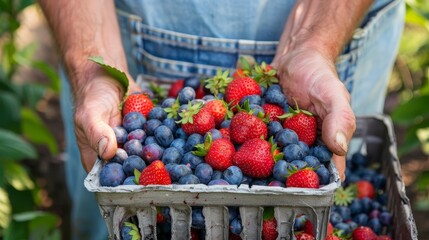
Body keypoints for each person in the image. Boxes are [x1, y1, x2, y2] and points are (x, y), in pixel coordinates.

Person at [38, 0, 405, 239]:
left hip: (336, 28)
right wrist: (93, 68)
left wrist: (314, 42)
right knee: (128, 214)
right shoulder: (178, 139)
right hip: (121, 41)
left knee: (321, 212)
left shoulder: (274, 139)